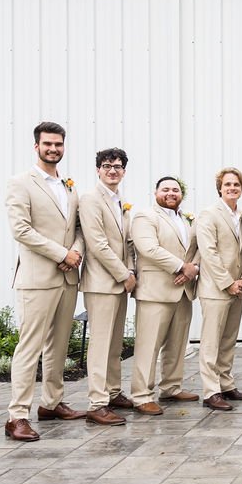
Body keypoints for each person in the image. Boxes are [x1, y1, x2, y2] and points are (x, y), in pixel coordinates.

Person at [4, 122, 86, 441]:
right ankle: (17, 415)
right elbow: (21, 230)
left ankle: (51, 403)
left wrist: (75, 252)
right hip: (38, 277)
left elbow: (78, 226)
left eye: (58, 144)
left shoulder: (69, 186)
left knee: (58, 345)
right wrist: (61, 254)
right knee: (30, 346)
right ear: (36, 146)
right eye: (48, 144)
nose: (54, 149)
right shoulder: (20, 183)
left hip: (67, 277)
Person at [130, 176, 200, 415]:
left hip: (183, 289)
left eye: (176, 190)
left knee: (177, 343)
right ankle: (141, 395)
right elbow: (148, 248)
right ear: (156, 192)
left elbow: (197, 248)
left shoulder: (187, 219)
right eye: (166, 189)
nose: (171, 193)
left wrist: (193, 270)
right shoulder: (145, 216)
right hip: (155, 290)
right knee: (149, 345)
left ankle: (171, 386)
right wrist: (181, 266)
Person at [78, 147, 136, 426]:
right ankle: (96, 403)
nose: (112, 170)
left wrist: (132, 271)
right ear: (98, 169)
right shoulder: (90, 199)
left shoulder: (120, 201)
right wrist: (124, 274)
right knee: (100, 345)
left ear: (124, 171)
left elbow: (126, 242)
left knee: (115, 343)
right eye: (107, 165)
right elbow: (97, 243)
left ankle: (113, 392)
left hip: (120, 282)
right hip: (102, 282)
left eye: (117, 166)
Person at [196, 168, 242, 411]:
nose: (232, 188)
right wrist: (227, 282)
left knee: (229, 340)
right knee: (211, 342)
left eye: (237, 184)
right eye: (228, 184)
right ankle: (211, 391)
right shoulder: (209, 214)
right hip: (216, 288)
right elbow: (208, 252)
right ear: (220, 187)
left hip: (237, 286)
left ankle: (226, 383)